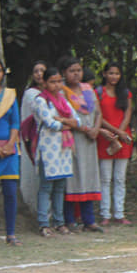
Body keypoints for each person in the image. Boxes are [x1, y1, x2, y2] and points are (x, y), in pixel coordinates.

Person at [32, 67, 79, 237]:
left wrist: (63, 120)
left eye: (59, 81)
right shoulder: (40, 101)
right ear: (44, 83)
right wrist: (67, 124)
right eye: (53, 81)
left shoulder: (63, 100)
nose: (57, 85)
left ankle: (60, 223)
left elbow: (77, 121)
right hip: (48, 148)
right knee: (46, 187)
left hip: (63, 149)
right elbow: (49, 123)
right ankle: (44, 223)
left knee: (60, 187)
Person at [59, 56, 103, 233]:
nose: (76, 74)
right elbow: (65, 118)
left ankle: (89, 220)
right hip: (72, 139)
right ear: (64, 73)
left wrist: (96, 129)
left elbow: (98, 112)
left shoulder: (88, 89)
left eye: (78, 70)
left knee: (89, 175)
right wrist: (85, 129)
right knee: (73, 178)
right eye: (72, 71)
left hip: (90, 140)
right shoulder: (61, 92)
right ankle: (69, 219)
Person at [96, 62, 133, 225]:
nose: (114, 77)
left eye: (117, 74)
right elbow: (98, 116)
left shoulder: (125, 93)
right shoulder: (98, 93)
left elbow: (128, 113)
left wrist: (120, 133)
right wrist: (116, 133)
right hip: (105, 136)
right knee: (105, 178)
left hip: (123, 138)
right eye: (111, 73)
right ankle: (105, 214)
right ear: (104, 74)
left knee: (120, 178)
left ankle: (119, 213)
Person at [0, 57, 22, 245]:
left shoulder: (10, 95)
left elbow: (15, 122)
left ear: (3, 73)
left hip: (10, 150)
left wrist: (10, 143)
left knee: (11, 192)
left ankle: (11, 234)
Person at [18, 60, 46, 212]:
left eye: (42, 70)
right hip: (34, 138)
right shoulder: (30, 94)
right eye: (36, 71)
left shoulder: (55, 93)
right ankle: (35, 210)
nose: (39, 74)